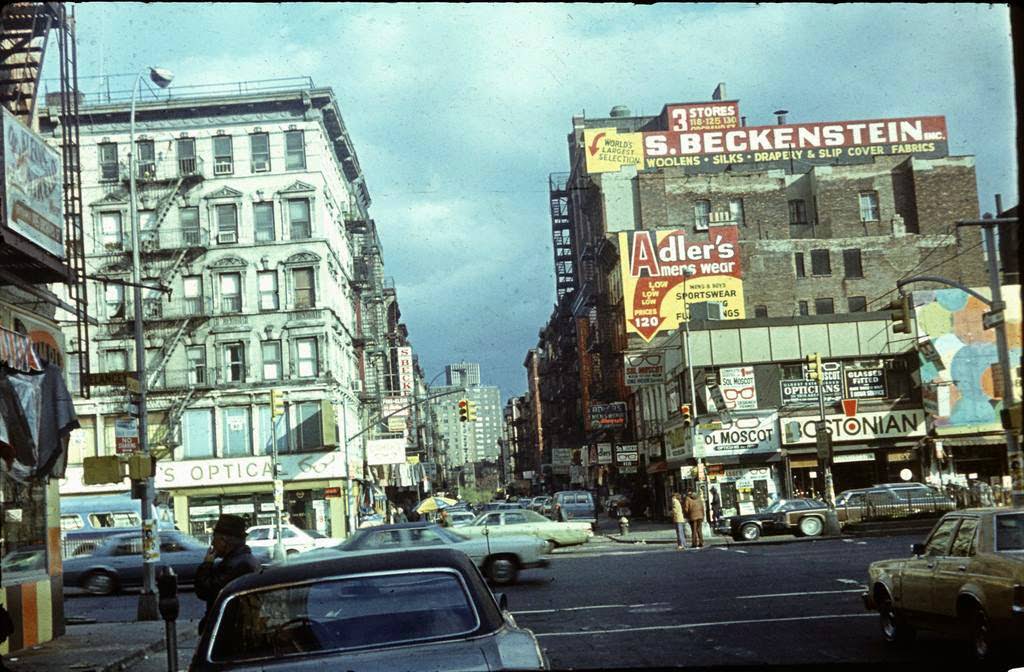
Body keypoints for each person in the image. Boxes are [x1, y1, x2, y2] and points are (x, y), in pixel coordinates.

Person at [195, 514, 261, 634]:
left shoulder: (235, 565)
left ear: (223, 541)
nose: (212, 544)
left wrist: (207, 564)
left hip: (230, 630)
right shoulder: (245, 559)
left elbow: (205, 590)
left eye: (214, 539)